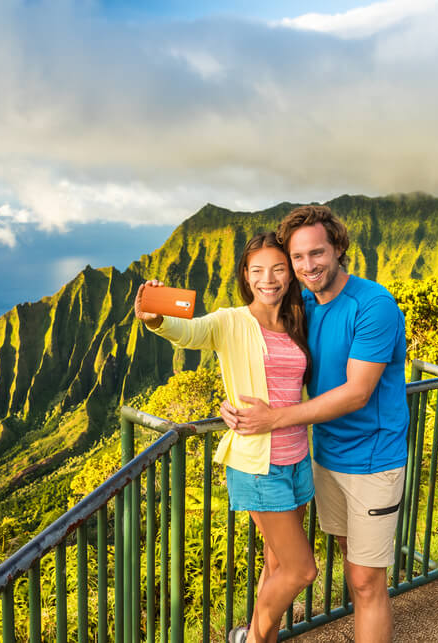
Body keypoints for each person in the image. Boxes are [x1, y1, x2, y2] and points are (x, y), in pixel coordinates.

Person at [221, 205, 408, 643]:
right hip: (323, 456)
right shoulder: (301, 303)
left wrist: (273, 419)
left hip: (373, 458)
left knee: (365, 580)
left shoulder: (372, 305)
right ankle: (256, 637)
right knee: (315, 559)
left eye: (317, 253)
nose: (308, 267)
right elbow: (258, 351)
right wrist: (231, 404)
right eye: (298, 259)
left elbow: (357, 392)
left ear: (338, 248)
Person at [134, 232, 317, 643]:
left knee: (276, 564)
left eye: (278, 269)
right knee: (302, 569)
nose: (268, 279)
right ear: (246, 277)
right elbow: (190, 332)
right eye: (257, 271)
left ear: (289, 274)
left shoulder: (298, 319)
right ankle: (252, 639)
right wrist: (156, 318)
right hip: (257, 464)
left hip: (298, 460)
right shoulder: (230, 320)